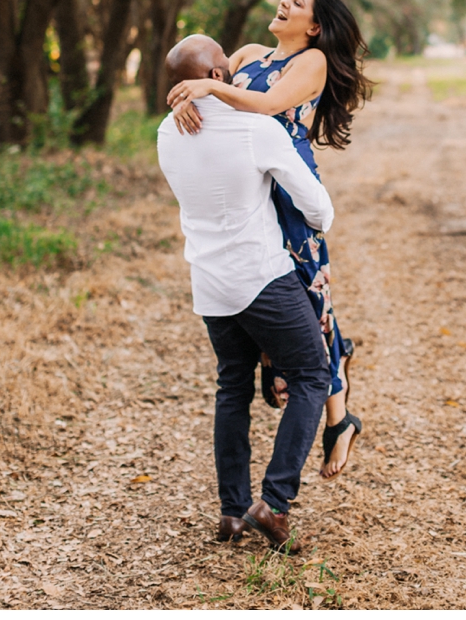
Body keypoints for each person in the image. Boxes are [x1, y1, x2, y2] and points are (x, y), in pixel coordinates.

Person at [166, 0, 369, 479]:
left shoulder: (312, 62)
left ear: (315, 27)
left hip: (287, 180)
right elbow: (207, 81)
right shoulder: (250, 54)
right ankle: (314, 400)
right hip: (249, 180)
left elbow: (265, 105)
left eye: (298, 4)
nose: (285, 3)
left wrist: (211, 89)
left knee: (309, 292)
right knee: (274, 298)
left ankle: (338, 416)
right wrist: (183, 102)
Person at [157, 33, 335, 553]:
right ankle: (274, 503)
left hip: (208, 281)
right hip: (260, 276)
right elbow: (319, 210)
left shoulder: (167, 132)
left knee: (232, 387)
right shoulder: (256, 129)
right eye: (226, 64)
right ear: (215, 77)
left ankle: (232, 512)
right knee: (312, 373)